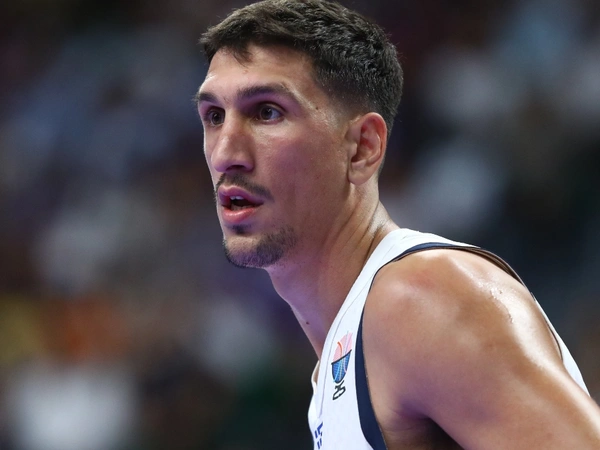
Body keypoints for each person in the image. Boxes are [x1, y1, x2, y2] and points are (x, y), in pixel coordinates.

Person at [195, 0, 600, 448]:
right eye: (214, 116)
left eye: (267, 112)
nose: (225, 152)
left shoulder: (421, 297)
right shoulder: (343, 355)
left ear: (362, 148)